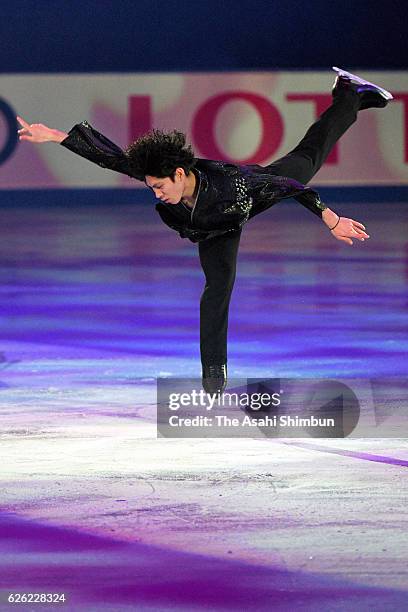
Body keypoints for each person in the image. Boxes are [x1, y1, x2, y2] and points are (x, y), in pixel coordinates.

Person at [17, 70, 391, 393]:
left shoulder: (234, 184)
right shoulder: (159, 173)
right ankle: (214, 370)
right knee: (217, 287)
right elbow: (110, 156)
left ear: (179, 174)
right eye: (151, 188)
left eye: (160, 186)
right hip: (212, 227)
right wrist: (54, 136)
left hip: (244, 199)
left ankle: (349, 92)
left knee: (307, 160)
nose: (157, 194)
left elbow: (290, 188)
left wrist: (331, 219)